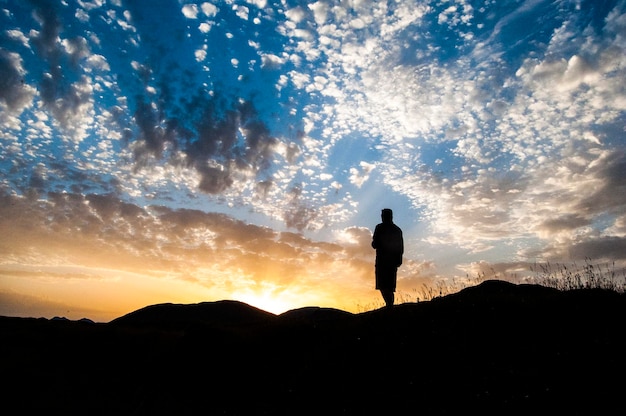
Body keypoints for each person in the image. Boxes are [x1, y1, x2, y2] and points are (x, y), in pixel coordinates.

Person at [371, 208, 404, 308]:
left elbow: (374, 244)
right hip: (392, 262)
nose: (382, 217)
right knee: (389, 286)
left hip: (383, 261)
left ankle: (389, 306)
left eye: (382, 215)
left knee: (383, 285)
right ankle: (390, 305)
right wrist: (398, 261)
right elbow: (401, 247)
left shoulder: (380, 228)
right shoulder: (397, 230)